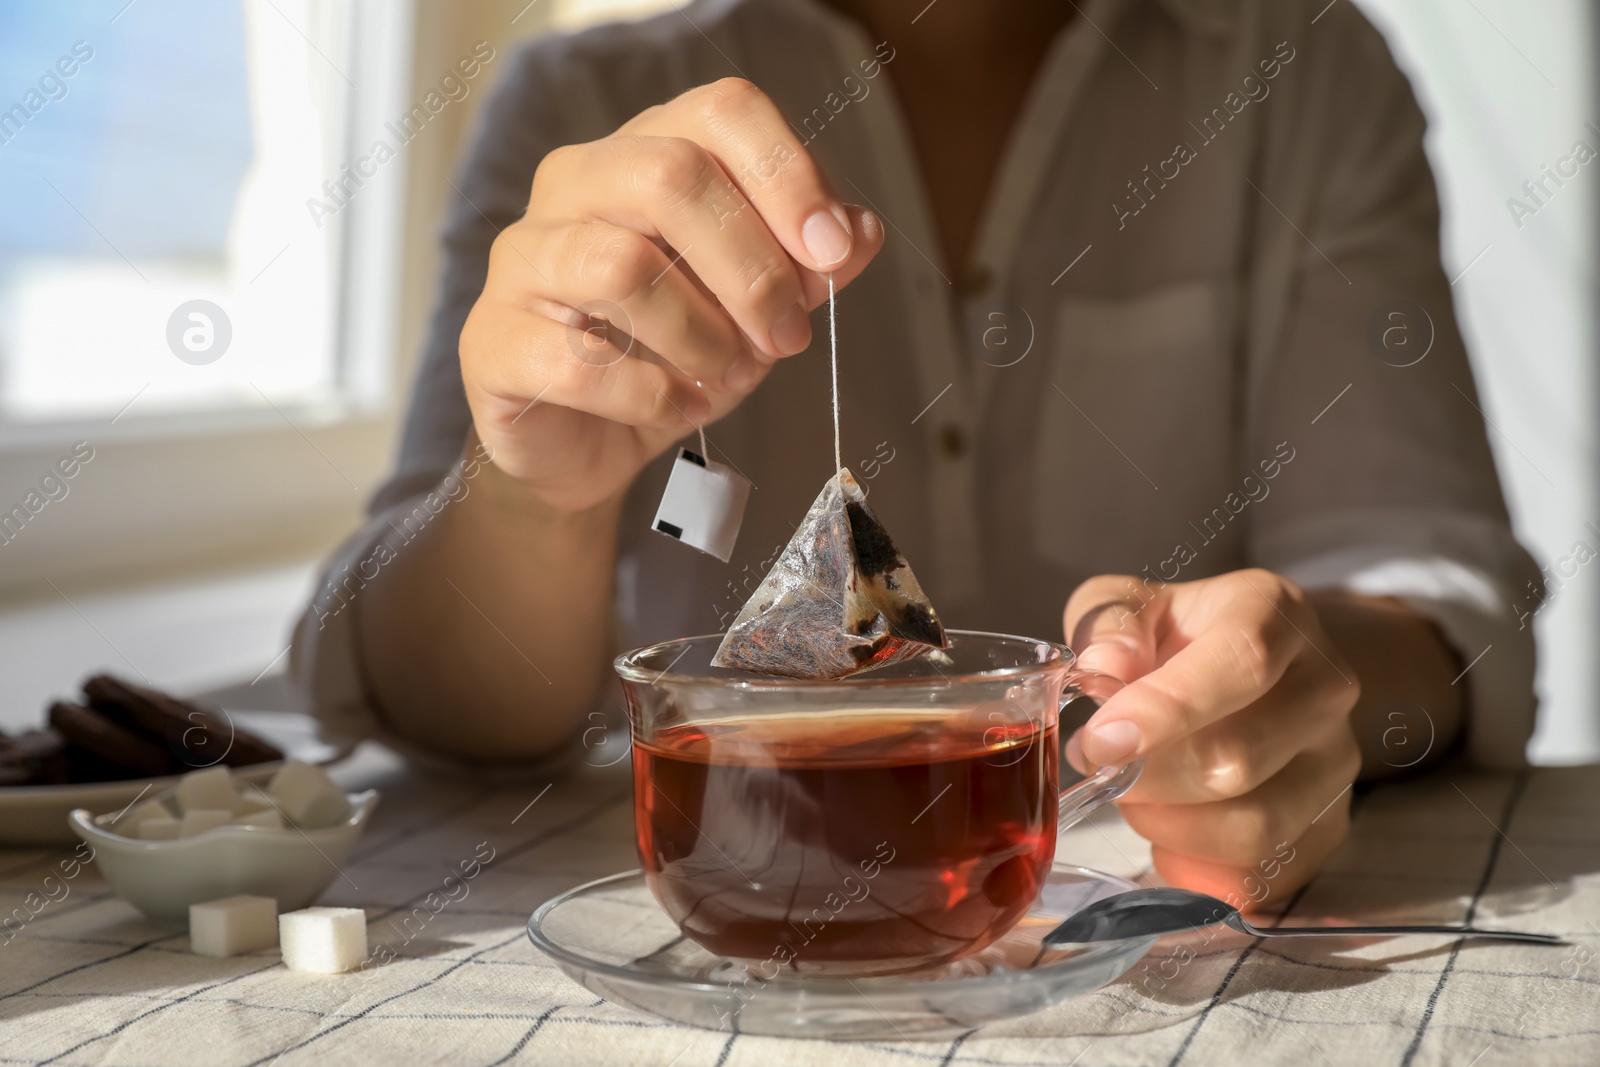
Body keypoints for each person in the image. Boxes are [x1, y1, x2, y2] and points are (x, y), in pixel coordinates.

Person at [290, 0, 1539, 904]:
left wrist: (1291, 681)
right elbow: (417, 685)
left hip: (1123, 907)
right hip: (733, 884)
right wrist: (526, 502)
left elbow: (1434, 592)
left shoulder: (1302, 71)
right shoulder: (578, 105)